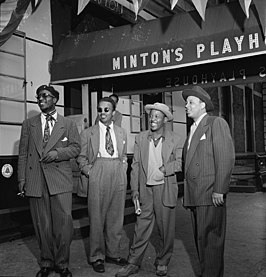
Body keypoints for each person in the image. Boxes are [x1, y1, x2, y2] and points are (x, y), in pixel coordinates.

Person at [17, 85, 81, 277]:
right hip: (36, 179)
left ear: (55, 99)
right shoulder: (29, 124)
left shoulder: (68, 124)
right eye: (38, 96)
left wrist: (57, 153)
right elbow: (22, 154)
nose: (40, 99)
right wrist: (22, 179)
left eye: (45, 96)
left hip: (60, 180)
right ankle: (46, 262)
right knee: (41, 224)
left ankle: (62, 264)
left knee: (63, 224)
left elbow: (76, 148)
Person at [116, 103, 183, 277]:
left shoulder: (175, 139)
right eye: (151, 116)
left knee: (165, 228)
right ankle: (133, 262)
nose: (152, 119)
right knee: (141, 226)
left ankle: (162, 261)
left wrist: (164, 169)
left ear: (165, 120)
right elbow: (136, 166)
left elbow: (179, 163)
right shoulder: (141, 138)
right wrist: (135, 190)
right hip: (145, 190)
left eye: (157, 116)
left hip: (165, 189)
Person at [182, 85, 235, 277]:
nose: (186, 106)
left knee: (210, 244)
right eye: (186, 103)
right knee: (201, 243)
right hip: (196, 195)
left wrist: (220, 189)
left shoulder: (215, 123)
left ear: (202, 105)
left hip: (210, 194)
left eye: (191, 102)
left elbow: (225, 157)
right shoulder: (193, 129)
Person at [77, 97, 128, 273]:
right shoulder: (87, 133)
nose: (102, 113)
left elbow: (124, 156)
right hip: (98, 170)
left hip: (117, 171)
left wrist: (123, 168)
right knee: (97, 218)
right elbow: (81, 157)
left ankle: (113, 253)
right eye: (100, 110)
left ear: (113, 113)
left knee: (116, 217)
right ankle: (97, 256)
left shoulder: (121, 132)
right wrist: (90, 171)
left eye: (107, 110)